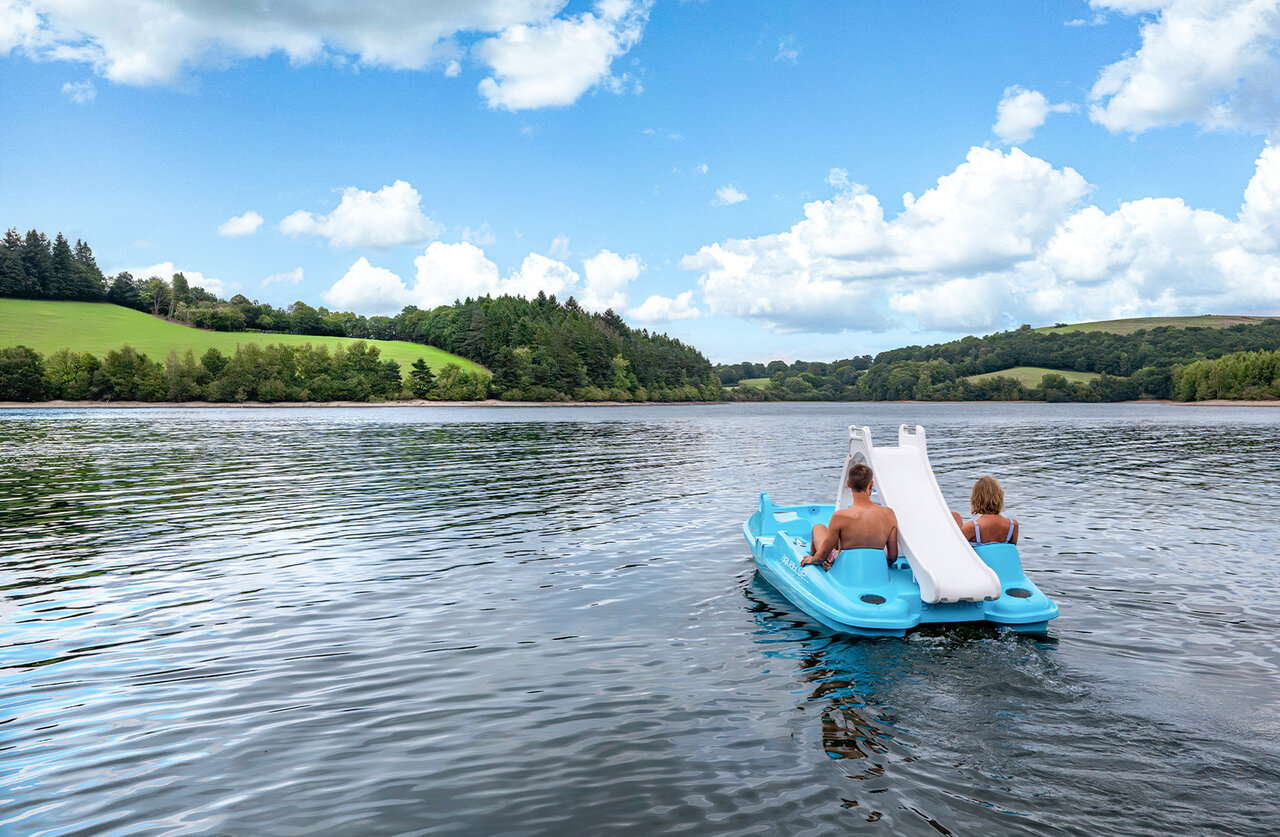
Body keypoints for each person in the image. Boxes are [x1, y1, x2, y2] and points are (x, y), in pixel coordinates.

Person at [801, 463, 899, 571]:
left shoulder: (840, 516)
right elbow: (892, 557)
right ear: (870, 485)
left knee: (818, 528)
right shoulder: (889, 514)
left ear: (848, 484)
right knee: (838, 539)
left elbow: (822, 556)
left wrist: (814, 559)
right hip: (873, 568)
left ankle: (822, 569)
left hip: (845, 569)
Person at [951, 475, 1019, 545]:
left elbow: (956, 548)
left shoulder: (972, 527)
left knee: (954, 517)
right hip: (1002, 556)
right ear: (1000, 497)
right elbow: (1011, 549)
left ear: (976, 499)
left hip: (980, 555)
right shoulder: (1013, 525)